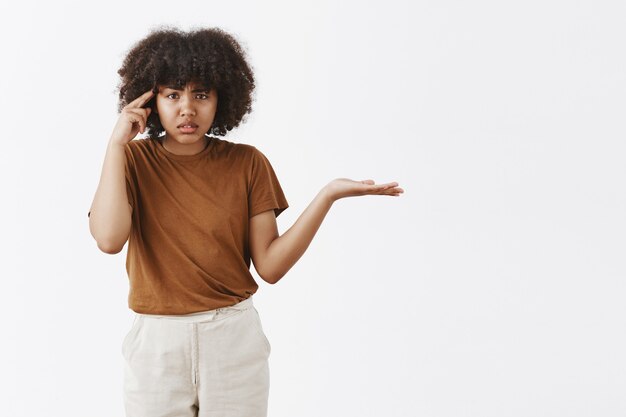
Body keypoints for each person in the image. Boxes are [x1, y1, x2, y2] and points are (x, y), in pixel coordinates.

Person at [87, 26, 404, 417]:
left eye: (201, 94)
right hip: (156, 341)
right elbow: (108, 239)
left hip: (232, 337)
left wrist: (327, 196)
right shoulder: (133, 161)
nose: (187, 108)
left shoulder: (247, 163)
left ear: (223, 98)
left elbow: (269, 266)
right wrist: (116, 144)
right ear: (150, 100)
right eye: (173, 94)